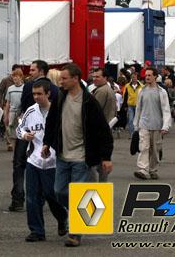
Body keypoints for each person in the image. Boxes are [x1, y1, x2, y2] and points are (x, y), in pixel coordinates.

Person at [42, 63, 113, 247]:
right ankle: (78, 212)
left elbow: (103, 131)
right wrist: (47, 143)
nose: (61, 81)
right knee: (59, 191)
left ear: (75, 79)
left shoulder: (89, 101)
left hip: (82, 157)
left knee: (79, 194)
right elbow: (51, 121)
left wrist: (106, 157)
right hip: (63, 155)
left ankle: (75, 234)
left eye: (64, 78)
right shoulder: (60, 97)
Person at [17, 81, 67, 242]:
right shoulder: (31, 111)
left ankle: (62, 218)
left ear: (48, 94)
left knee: (52, 194)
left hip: (53, 160)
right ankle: (37, 231)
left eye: (39, 94)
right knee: (32, 197)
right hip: (34, 159)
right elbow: (20, 128)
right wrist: (25, 135)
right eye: (34, 94)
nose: (36, 97)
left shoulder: (57, 111)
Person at [10, 60, 59, 212]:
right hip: (32, 141)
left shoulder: (30, 87)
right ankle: (27, 200)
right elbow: (21, 125)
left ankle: (19, 199)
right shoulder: (54, 90)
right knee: (33, 183)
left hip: (49, 150)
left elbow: (23, 105)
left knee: (19, 165)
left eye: (32, 70)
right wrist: (24, 133)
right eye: (34, 94)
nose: (29, 72)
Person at [133, 67, 171, 180]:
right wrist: (136, 125)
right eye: (146, 75)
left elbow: (166, 110)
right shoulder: (141, 91)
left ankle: (153, 170)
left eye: (149, 75)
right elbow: (138, 109)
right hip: (144, 124)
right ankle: (143, 169)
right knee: (144, 147)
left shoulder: (162, 92)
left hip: (157, 125)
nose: (147, 77)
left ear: (155, 76)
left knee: (155, 150)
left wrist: (166, 126)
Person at [91, 68, 116, 181]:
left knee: (95, 166)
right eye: (94, 76)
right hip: (105, 129)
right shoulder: (108, 89)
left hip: (99, 131)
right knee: (102, 167)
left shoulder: (101, 91)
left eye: (97, 77)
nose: (94, 79)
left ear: (105, 78)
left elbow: (94, 111)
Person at [3, 69, 25, 152]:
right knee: (9, 129)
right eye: (13, 76)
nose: (15, 78)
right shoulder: (10, 88)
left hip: (21, 112)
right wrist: (6, 115)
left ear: (21, 77)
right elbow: (8, 103)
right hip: (12, 112)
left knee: (20, 129)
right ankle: (10, 144)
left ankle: (19, 147)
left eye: (16, 76)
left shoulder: (25, 88)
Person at [123, 72, 143, 136]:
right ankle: (132, 134)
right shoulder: (127, 86)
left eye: (134, 77)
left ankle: (137, 133)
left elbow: (143, 96)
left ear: (137, 77)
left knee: (138, 120)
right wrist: (125, 105)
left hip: (138, 105)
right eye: (132, 77)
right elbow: (125, 96)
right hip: (130, 105)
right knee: (131, 119)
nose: (133, 78)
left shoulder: (142, 86)